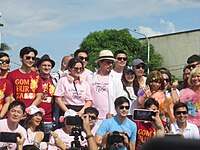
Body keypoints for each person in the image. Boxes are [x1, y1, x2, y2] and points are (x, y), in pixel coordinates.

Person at [88, 50, 124, 120]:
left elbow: (119, 98)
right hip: (93, 116)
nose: (110, 65)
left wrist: (113, 113)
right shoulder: (90, 77)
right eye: (108, 62)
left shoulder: (115, 79)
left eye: (112, 63)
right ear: (100, 62)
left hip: (110, 116)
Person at [36, 54, 56, 132]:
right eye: (44, 65)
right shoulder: (35, 79)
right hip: (35, 117)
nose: (46, 68)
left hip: (49, 118)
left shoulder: (55, 81)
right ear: (39, 67)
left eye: (49, 65)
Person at [0, 54, 13, 118]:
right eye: (1, 61)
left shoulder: (11, 77)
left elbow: (8, 101)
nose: (4, 63)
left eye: (7, 61)